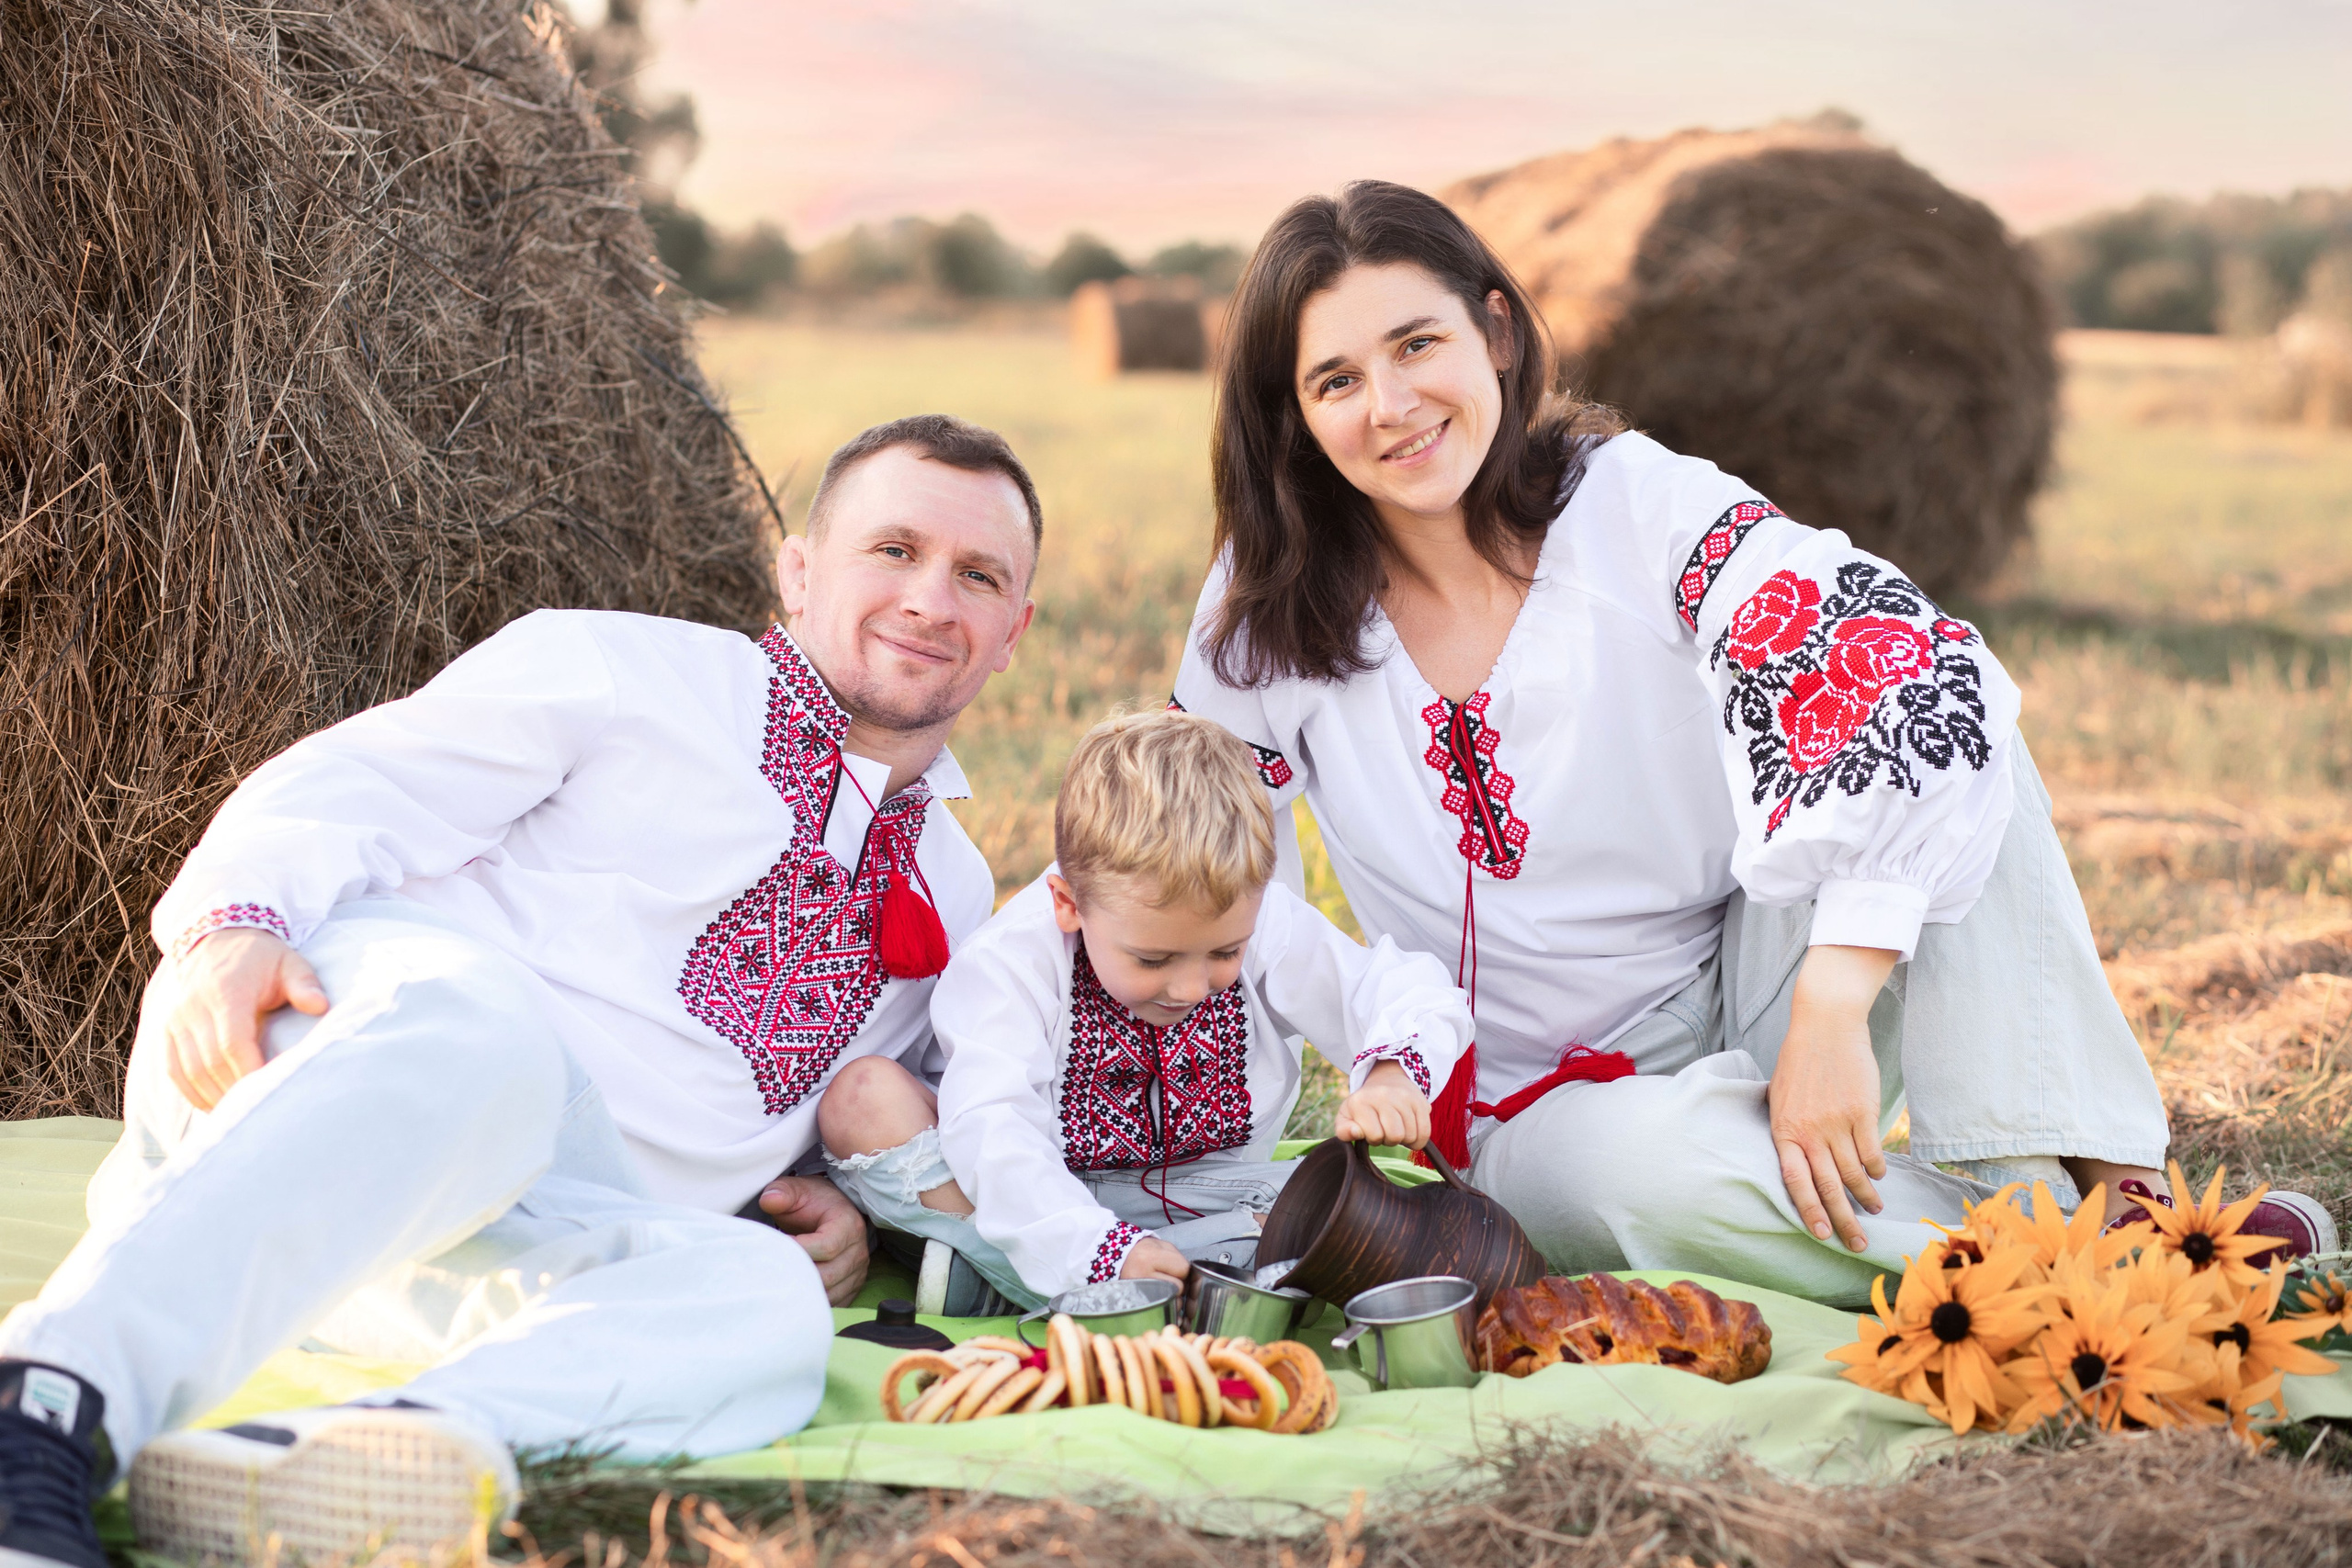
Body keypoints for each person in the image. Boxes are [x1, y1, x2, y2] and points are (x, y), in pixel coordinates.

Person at [1170, 180, 2336, 1309]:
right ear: (1295, 416)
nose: (1390, 404)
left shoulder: (1627, 502)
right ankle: (2064, 1269)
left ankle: (2124, 1199)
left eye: (1416, 345)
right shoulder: (1263, 615)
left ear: (1496, 333)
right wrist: (1361, 1051)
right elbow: (1209, 880)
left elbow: (1891, 653)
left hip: (1744, 977)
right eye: (1335, 380)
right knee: (1628, 1179)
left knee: (1939, 706)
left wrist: (1831, 1006)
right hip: (1526, 1110)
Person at [0, 414, 1043, 1568]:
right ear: (798, 571)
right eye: (892, 549)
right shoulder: (623, 669)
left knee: (763, 1296)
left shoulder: (956, 888)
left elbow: (898, 1107)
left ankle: (354, 1457)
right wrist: (231, 927)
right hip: (327, 1080)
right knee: (490, 1034)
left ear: (1014, 634)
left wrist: (836, 1200)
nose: (930, 599)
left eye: (978, 576)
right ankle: (47, 1406)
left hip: (505, 1241)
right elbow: (352, 783)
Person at [816, 709, 1469, 1310]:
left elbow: (1400, 988)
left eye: (1223, 951)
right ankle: (1140, 1284)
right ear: (1069, 903)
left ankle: (1021, 1285)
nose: (1190, 988)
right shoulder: (1009, 965)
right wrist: (1103, 1253)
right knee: (864, 1101)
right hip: (1040, 1196)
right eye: (1154, 960)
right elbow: (996, 1135)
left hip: (1218, 1199)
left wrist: (1392, 1071)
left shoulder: (1265, 921)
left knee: (1348, 1205)